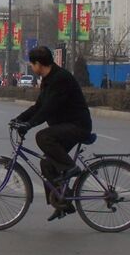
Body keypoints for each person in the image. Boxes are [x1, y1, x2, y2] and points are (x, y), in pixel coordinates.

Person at [12, 46, 92, 222]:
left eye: (32, 64)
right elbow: (38, 106)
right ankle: (62, 203)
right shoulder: (48, 80)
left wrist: (30, 125)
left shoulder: (60, 79)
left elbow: (48, 109)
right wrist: (19, 119)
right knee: (46, 164)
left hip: (77, 125)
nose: (31, 67)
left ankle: (70, 167)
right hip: (64, 126)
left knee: (43, 136)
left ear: (38, 64)